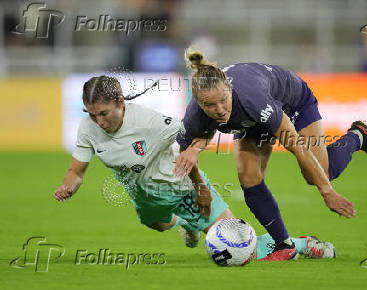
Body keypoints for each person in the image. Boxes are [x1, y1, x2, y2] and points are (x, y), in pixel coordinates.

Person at [53, 75, 336, 263]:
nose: (99, 121)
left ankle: (302, 244)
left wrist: (201, 188)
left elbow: (191, 141)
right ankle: (186, 225)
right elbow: (76, 171)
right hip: (144, 198)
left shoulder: (152, 123)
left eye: (104, 113)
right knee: (157, 224)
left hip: (182, 190)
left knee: (240, 245)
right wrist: (69, 185)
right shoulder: (88, 128)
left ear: (120, 104)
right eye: (92, 114)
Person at [174, 49, 367, 261]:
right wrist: (201, 189)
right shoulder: (194, 115)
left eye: (223, 99)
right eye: (210, 105)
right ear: (198, 102)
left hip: (292, 101)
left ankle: (358, 136)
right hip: (251, 119)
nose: (220, 109)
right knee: (249, 177)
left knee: (321, 173)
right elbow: (187, 153)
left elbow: (298, 148)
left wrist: (327, 191)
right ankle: (284, 245)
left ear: (229, 89)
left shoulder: (253, 99)